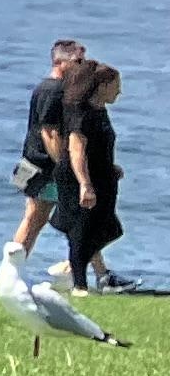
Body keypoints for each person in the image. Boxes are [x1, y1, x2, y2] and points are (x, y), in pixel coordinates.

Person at [3, 36, 89, 285]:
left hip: (38, 164)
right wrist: (65, 165)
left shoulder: (54, 89)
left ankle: (15, 269)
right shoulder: (53, 89)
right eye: (79, 61)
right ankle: (84, 270)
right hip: (45, 166)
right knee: (41, 218)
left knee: (37, 219)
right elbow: (49, 133)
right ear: (61, 62)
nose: (82, 66)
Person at [51, 59, 129, 294]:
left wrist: (110, 167)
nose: (119, 91)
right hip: (79, 179)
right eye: (116, 86)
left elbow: (98, 146)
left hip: (102, 177)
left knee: (110, 229)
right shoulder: (80, 113)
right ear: (102, 86)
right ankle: (79, 285)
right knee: (81, 231)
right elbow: (77, 150)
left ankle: (71, 267)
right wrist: (85, 184)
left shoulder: (99, 111)